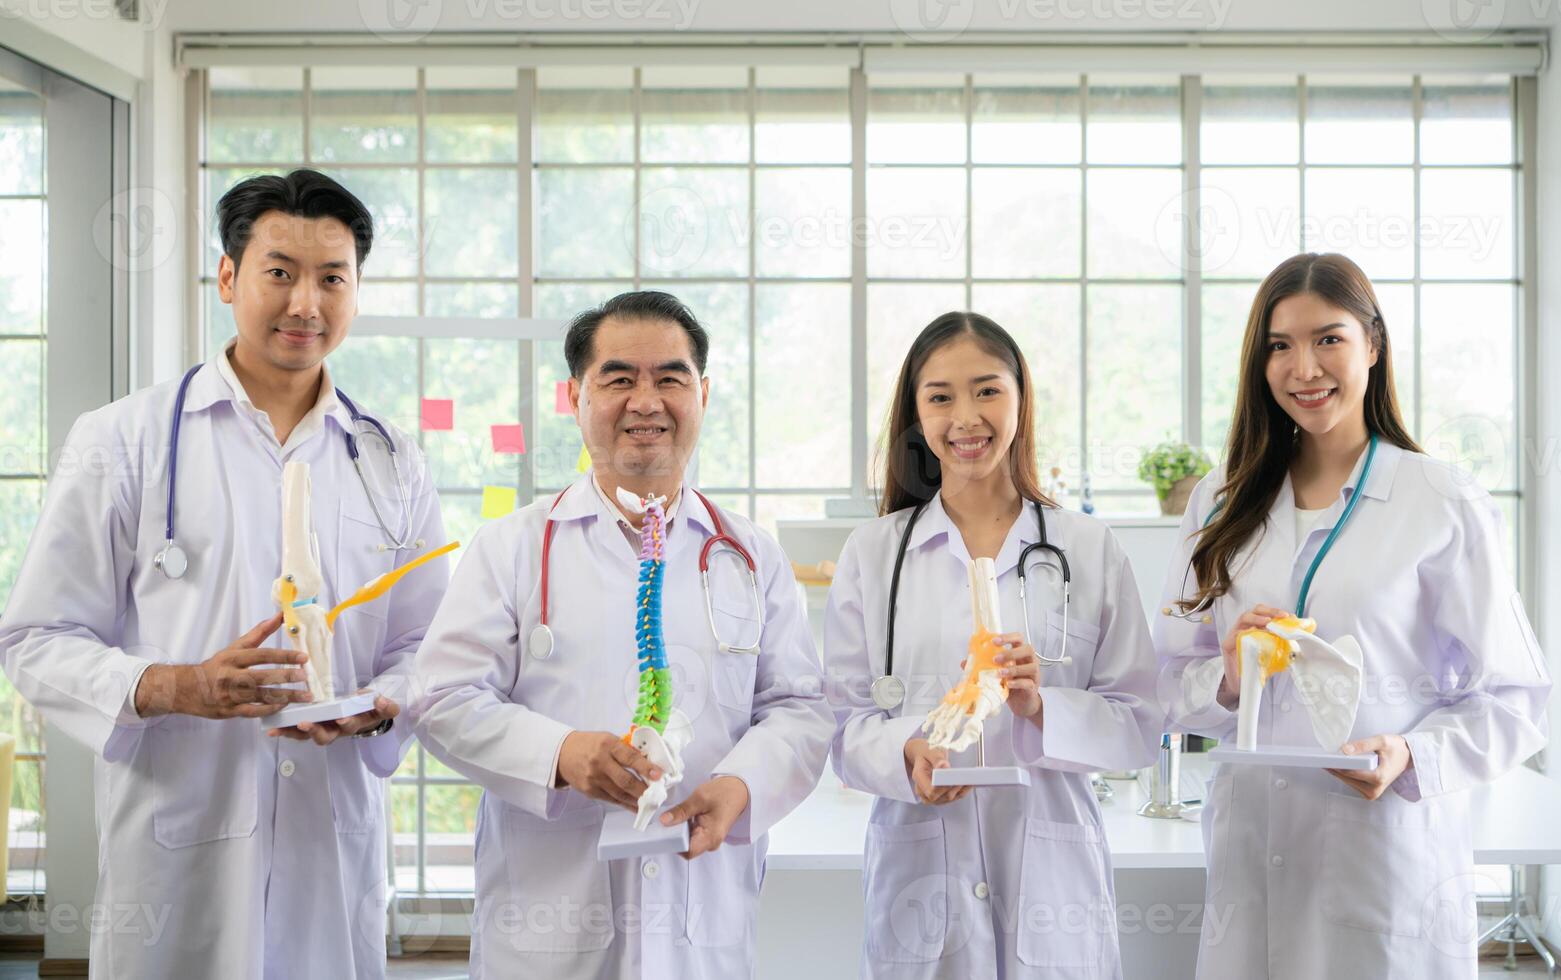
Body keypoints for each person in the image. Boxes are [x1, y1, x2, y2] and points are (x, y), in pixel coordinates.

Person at [0, 169, 449, 979]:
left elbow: (432, 645)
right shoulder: (125, 439)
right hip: (179, 858)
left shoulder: (392, 461)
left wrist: (380, 706)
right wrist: (178, 686)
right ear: (228, 277)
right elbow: (35, 638)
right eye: (279, 272)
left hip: (329, 845)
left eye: (332, 278)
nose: (305, 303)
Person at [409, 289, 834, 978]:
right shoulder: (513, 547)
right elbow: (442, 699)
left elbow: (801, 708)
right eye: (618, 379)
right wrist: (561, 753)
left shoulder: (749, 555)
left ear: (704, 393)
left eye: (670, 378)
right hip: (553, 922)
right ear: (575, 395)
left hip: (702, 917)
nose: (646, 401)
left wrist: (742, 787)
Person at [1154, 252, 1550, 977]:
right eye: (1280, 346)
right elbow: (1167, 684)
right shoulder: (1219, 500)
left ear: (1373, 344)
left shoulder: (1441, 499)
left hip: (1385, 858)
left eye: (1328, 339)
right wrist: (1230, 680)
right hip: (1253, 861)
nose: (1304, 367)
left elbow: (1515, 698)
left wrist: (1410, 756)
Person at [823, 312, 1161, 979]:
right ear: (916, 415)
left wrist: (1043, 708)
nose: (965, 417)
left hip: (1052, 882)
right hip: (920, 876)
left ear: (1020, 399)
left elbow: (1141, 724)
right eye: (940, 397)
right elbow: (841, 726)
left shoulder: (1087, 549)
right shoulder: (874, 554)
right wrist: (908, 754)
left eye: (987, 390)